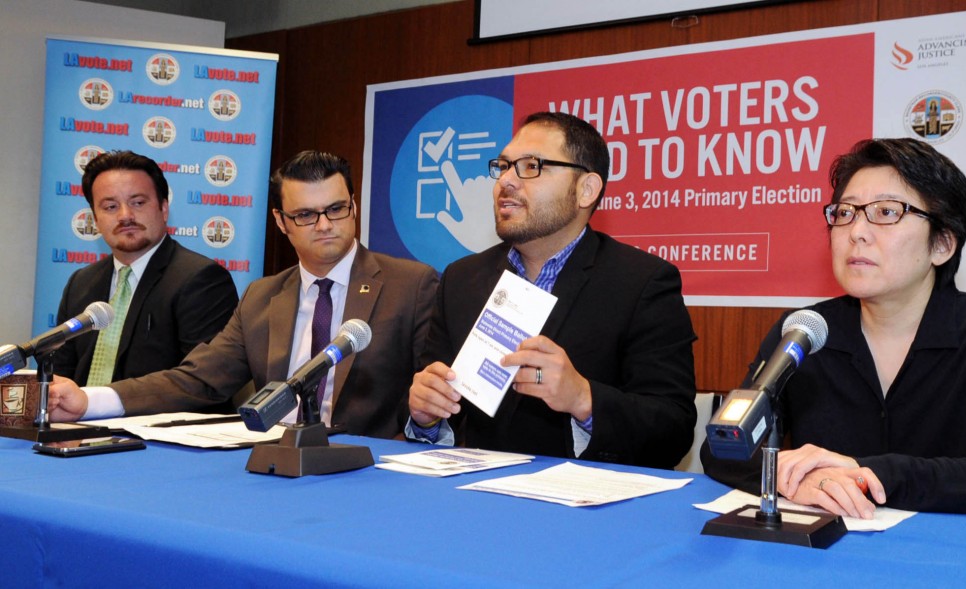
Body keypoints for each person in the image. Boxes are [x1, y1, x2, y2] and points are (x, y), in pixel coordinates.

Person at [701, 138, 966, 515]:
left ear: (943, 244)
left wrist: (870, 474)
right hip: (827, 556)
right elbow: (723, 448)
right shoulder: (804, 332)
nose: (856, 232)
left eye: (886, 212)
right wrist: (796, 478)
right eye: (844, 213)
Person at [48, 150, 439, 438]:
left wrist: (426, 417)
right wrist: (89, 401)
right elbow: (198, 379)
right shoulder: (262, 296)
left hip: (369, 470)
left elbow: (433, 395)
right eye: (305, 215)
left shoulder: (412, 285)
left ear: (353, 206)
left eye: (336, 209)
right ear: (281, 222)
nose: (323, 225)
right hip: (272, 464)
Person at [407, 111, 697, 469]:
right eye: (503, 165)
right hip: (477, 500)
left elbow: (674, 429)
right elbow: (442, 414)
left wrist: (583, 399)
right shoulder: (462, 280)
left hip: (587, 508)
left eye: (530, 166)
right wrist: (426, 417)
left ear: (586, 190)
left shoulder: (642, 282)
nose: (506, 182)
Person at [52, 150, 238, 387]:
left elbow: (204, 381)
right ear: (95, 220)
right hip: (76, 422)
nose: (125, 216)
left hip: (154, 422)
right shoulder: (81, 283)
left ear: (163, 208)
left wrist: (104, 402)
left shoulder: (201, 279)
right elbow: (61, 373)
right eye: (110, 207)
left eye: (138, 203)